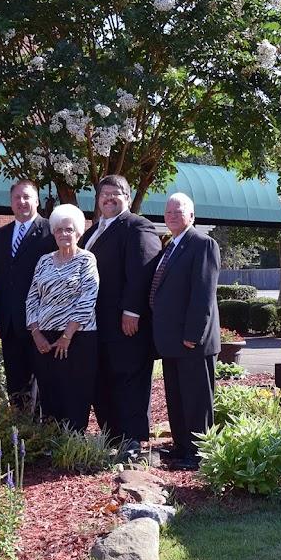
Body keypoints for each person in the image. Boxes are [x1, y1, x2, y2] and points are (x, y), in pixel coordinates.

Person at [79, 175, 161, 455]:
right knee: (102, 380)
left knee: (128, 380)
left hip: (125, 324)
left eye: (116, 194)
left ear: (127, 197)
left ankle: (132, 441)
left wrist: (132, 310)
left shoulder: (138, 227)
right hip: (94, 325)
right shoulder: (91, 233)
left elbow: (142, 271)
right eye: (104, 195)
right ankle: (112, 436)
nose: (109, 199)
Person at [150, 193, 221, 470]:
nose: (172, 216)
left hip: (193, 341)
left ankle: (199, 454)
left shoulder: (203, 244)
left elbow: (203, 293)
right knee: (177, 398)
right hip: (171, 341)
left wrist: (193, 334)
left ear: (192, 216)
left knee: (196, 400)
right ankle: (181, 448)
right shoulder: (171, 245)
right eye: (168, 213)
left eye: (178, 212)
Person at [26, 204, 99, 430]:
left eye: (69, 230)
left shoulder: (86, 259)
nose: (64, 234)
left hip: (78, 336)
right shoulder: (44, 261)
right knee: (50, 389)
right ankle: (51, 439)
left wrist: (67, 336)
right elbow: (31, 298)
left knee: (76, 390)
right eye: (59, 230)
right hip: (45, 338)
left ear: (78, 233)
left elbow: (88, 298)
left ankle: (74, 441)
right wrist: (36, 333)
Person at [0, 180, 55, 404]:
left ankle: (43, 434)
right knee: (16, 389)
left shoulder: (51, 232)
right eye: (17, 198)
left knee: (44, 388)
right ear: (11, 202)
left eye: (27, 197)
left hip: (43, 324)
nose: (22, 202)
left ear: (37, 200)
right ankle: (20, 433)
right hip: (9, 326)